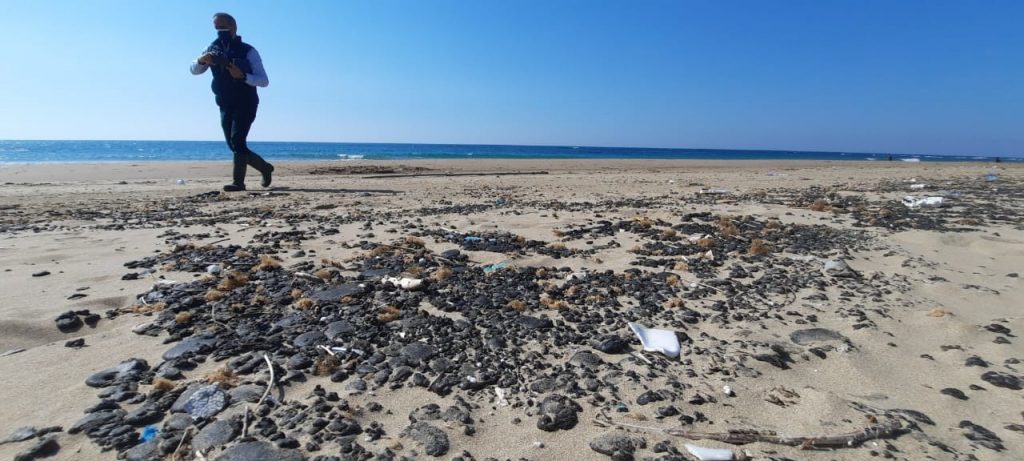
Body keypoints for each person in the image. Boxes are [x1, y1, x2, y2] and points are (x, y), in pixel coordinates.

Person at [190, 12, 273, 191]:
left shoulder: (249, 51)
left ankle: (238, 183)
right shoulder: (212, 48)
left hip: (246, 102)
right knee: (233, 145)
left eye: (223, 27)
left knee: (237, 140)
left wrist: (243, 76)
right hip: (224, 103)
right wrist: (201, 60)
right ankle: (265, 168)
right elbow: (194, 70)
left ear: (233, 26)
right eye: (217, 28)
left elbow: (264, 80)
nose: (220, 31)